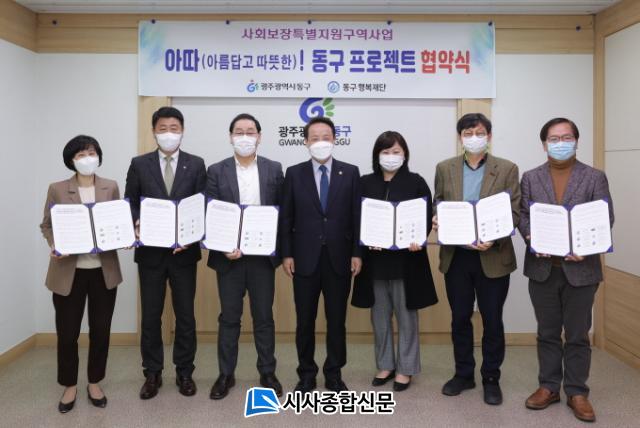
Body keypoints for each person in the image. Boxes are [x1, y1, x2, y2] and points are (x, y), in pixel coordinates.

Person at [519, 118, 614, 423]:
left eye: (566, 137)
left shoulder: (594, 176)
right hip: (543, 268)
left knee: (577, 334)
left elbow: (605, 218)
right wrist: (531, 237)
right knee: (547, 332)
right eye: (554, 138)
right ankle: (548, 387)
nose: (560, 143)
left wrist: (586, 246)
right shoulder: (531, 177)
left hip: (581, 269)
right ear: (544, 144)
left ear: (576, 140)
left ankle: (577, 391)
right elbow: (523, 215)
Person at [433, 113, 520, 405]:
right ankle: (463, 374)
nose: (474, 138)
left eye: (479, 133)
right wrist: (437, 217)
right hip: (457, 256)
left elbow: (515, 211)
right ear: (460, 137)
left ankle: (491, 378)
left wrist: (494, 237)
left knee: (492, 320)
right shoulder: (444, 168)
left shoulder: (507, 168)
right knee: (460, 318)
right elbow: (438, 202)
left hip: (492, 255)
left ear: (489, 136)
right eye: (468, 133)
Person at [124, 106, 206, 399]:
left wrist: (193, 237)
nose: (168, 133)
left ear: (182, 131)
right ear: (154, 131)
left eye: (174, 128)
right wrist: (135, 222)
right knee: (151, 316)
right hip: (150, 253)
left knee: (185, 316)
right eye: (163, 128)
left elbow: (202, 205)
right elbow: (130, 201)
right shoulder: (139, 164)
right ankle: (152, 372)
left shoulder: (196, 164)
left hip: (185, 254)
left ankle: (185, 372)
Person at [40, 135, 123, 413]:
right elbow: (47, 225)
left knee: (101, 331)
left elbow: (118, 222)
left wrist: (124, 235)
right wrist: (55, 244)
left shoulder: (111, 186)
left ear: (98, 156)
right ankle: (70, 385)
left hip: (103, 272)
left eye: (91, 152)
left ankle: (95, 382)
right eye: (80, 155)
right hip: (68, 273)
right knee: (67, 333)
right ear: (71, 160)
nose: (87, 158)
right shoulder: (57, 189)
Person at [280, 116, 362, 393]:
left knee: (336, 321)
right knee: (305, 321)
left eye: (326, 137)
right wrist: (287, 254)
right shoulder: (294, 173)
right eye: (314, 138)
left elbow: (357, 216)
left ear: (335, 139)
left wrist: (357, 253)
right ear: (305, 142)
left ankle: (334, 373)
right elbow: (286, 217)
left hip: (340, 258)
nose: (320, 142)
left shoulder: (350, 172)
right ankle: (306, 373)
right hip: (304, 259)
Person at [205, 113, 284, 399]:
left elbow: (282, 211)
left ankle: (267, 371)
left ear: (259, 137)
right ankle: (226, 374)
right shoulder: (216, 170)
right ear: (230, 137)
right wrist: (223, 245)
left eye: (250, 132)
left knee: (263, 317)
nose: (245, 137)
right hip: (229, 258)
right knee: (229, 318)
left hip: (262, 257)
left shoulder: (274, 168)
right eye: (239, 132)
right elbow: (211, 212)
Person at [351, 131, 438, 392]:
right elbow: (355, 218)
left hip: (406, 262)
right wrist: (365, 239)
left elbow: (425, 217)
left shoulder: (416, 182)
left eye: (396, 151)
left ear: (405, 154)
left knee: (407, 317)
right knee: (379, 317)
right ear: (377, 155)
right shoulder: (364, 183)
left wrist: (419, 237)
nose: (391, 156)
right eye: (386, 152)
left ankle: (406, 369)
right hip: (374, 262)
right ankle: (385, 365)